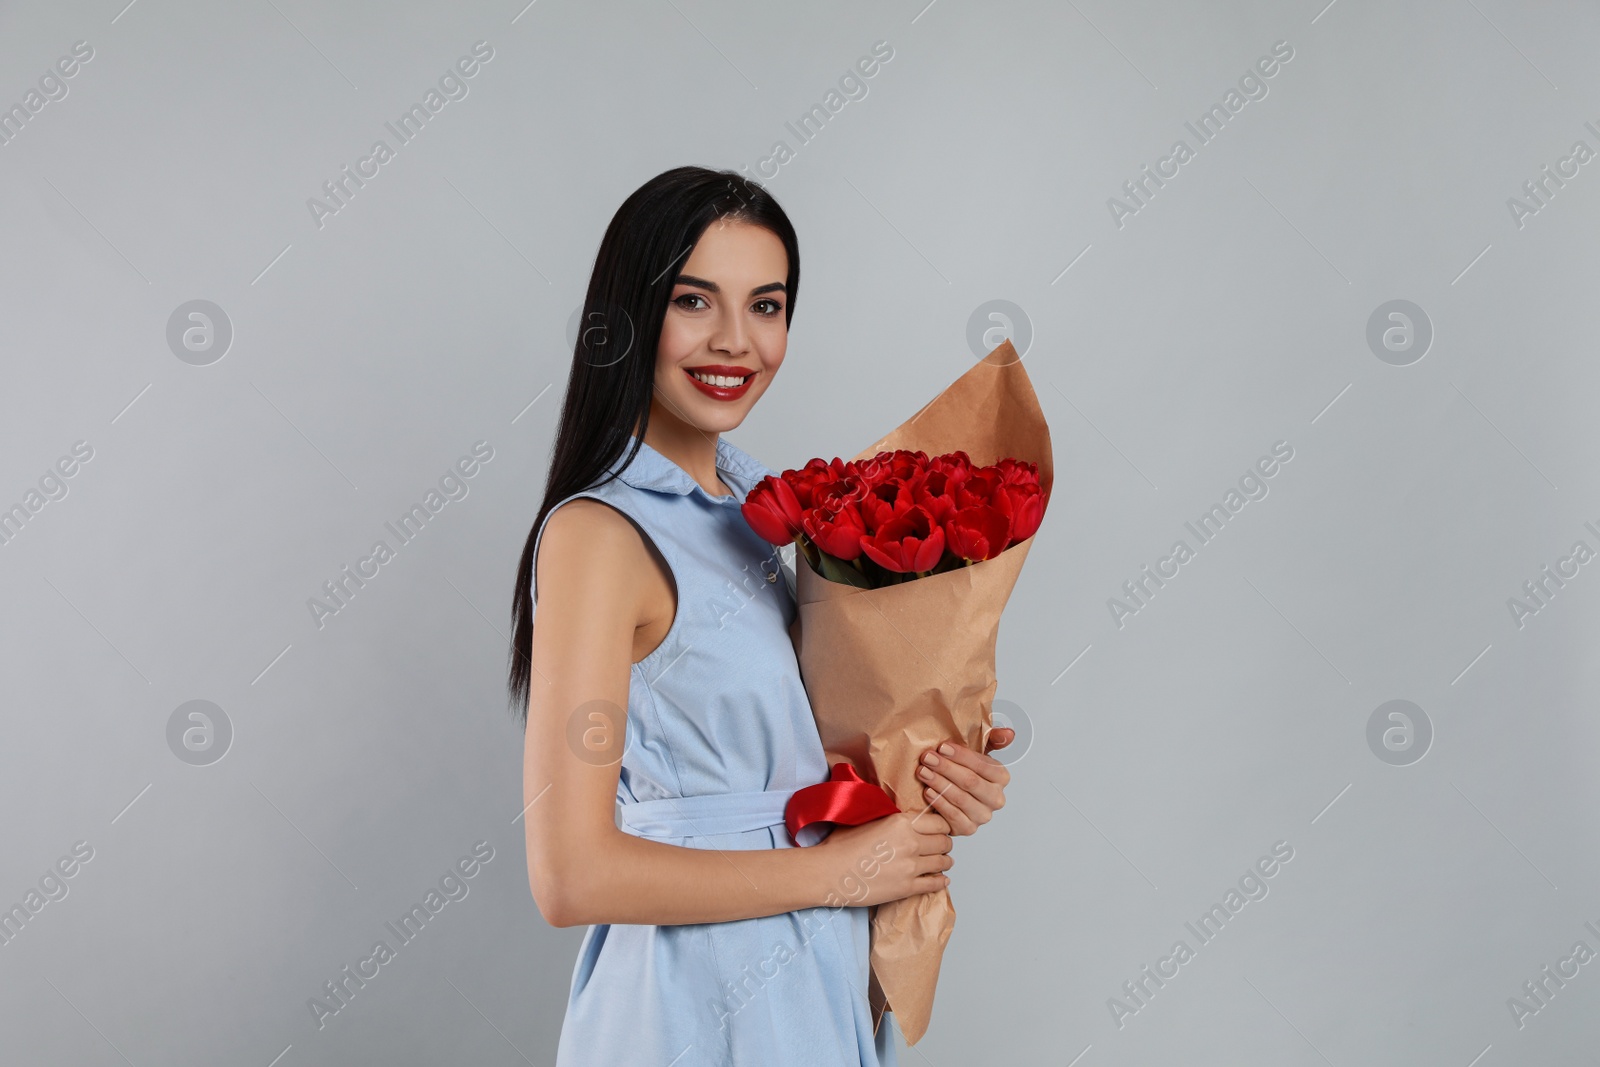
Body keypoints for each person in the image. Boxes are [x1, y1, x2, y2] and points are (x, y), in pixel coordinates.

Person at [506, 165, 1013, 1065]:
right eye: (696, 301)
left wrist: (924, 772)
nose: (736, 341)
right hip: (691, 1007)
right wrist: (832, 873)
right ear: (629, 316)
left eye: (767, 306)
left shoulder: (756, 521)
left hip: (812, 987)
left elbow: (779, 775)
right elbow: (570, 873)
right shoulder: (600, 533)